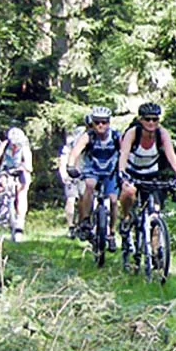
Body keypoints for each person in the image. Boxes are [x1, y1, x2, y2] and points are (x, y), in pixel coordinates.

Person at [118, 102, 176, 251]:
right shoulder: (133, 133)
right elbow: (124, 153)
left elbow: (171, 155)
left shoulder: (162, 133)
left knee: (155, 211)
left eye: (155, 119)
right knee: (129, 192)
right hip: (131, 172)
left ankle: (155, 254)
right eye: (147, 119)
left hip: (151, 173)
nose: (151, 123)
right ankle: (126, 217)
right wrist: (122, 172)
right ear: (140, 120)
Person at [65, 107, 122, 250]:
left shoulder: (116, 136)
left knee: (113, 200)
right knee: (89, 186)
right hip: (93, 170)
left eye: (104, 122)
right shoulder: (88, 136)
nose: (100, 125)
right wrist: (70, 166)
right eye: (97, 122)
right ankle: (85, 221)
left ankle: (112, 233)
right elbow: (75, 152)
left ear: (109, 122)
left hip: (110, 171)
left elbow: (125, 151)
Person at [0, 126, 33, 241]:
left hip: (20, 171)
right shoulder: (5, 144)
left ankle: (19, 223)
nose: (14, 146)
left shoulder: (25, 147)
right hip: (6, 170)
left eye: (16, 144)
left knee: (21, 193)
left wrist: (24, 167)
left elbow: (29, 165)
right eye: (13, 143)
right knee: (1, 186)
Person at [57, 120, 89, 238]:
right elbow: (63, 161)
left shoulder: (87, 147)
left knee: (83, 200)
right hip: (71, 176)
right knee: (71, 199)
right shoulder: (68, 147)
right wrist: (64, 175)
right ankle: (71, 225)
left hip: (83, 176)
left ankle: (82, 223)